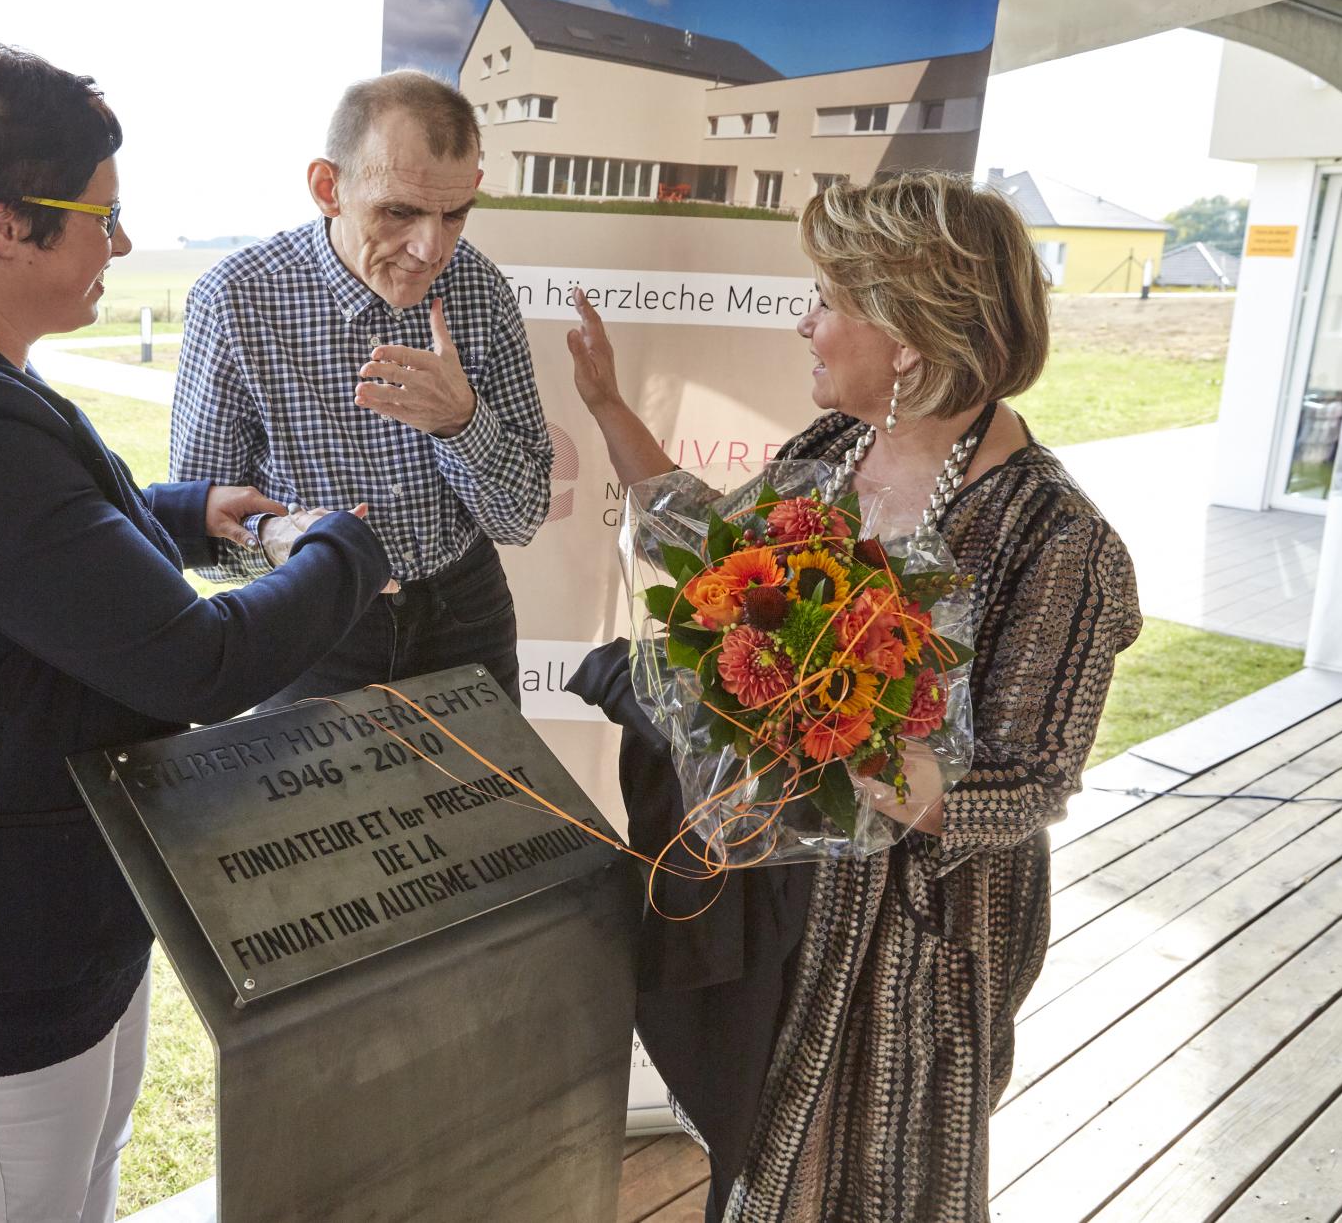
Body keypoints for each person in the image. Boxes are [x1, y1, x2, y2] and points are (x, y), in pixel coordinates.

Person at [0, 37, 392, 1223]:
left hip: (41, 892)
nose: (119, 246)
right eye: (101, 219)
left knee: (75, 1187)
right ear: (5, 224)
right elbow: (198, 662)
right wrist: (345, 552)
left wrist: (188, 512)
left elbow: (33, 548)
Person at [565, 170, 1140, 1222]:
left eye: (828, 299)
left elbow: (1023, 786)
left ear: (908, 335)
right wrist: (607, 408)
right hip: (781, 905)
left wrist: (840, 730)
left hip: (921, 942)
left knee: (881, 1186)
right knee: (762, 1163)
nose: (805, 324)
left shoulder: (1059, 542)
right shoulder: (829, 454)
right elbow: (714, 556)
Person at [171, 70, 552, 708]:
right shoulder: (238, 301)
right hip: (309, 625)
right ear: (329, 188)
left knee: (489, 809)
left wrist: (462, 424)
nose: (431, 248)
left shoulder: (478, 289)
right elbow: (197, 537)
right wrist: (290, 543)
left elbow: (521, 517)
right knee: (309, 812)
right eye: (400, 211)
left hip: (466, 614)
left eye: (454, 214)